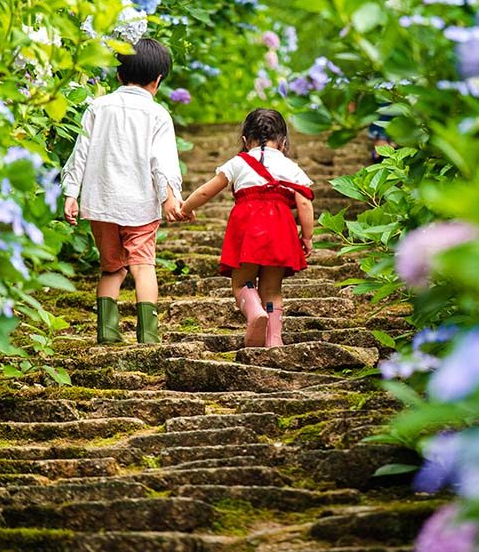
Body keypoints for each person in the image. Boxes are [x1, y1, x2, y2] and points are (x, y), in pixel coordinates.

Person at [61, 38, 183, 345]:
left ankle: (107, 333)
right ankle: (149, 336)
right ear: (158, 80)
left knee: (111, 271)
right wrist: (169, 196)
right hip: (140, 206)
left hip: (101, 204)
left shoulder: (97, 107)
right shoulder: (158, 115)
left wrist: (71, 193)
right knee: (143, 267)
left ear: (118, 74)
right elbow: (162, 162)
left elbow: (80, 153)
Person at [180, 108, 314, 348]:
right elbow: (304, 202)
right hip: (280, 228)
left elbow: (205, 191)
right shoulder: (291, 166)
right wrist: (307, 236)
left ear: (244, 139)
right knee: (272, 290)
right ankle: (274, 339)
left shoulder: (238, 162)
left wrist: (186, 208)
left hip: (247, 227)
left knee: (242, 282)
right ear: (283, 142)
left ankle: (254, 312)